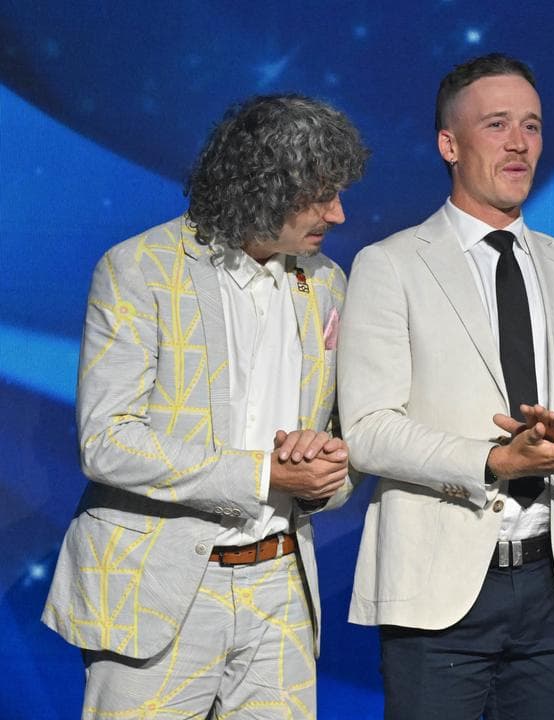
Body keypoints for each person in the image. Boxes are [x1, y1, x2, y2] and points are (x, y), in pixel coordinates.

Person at [41, 94, 369, 717]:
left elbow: (336, 443)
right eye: (322, 194)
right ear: (265, 184)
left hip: (280, 585)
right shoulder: (140, 268)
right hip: (160, 587)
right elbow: (106, 439)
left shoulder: (325, 281)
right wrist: (264, 474)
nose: (340, 213)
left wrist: (327, 472)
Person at [337, 53, 554, 719]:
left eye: (531, 125)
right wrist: (492, 460)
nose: (519, 143)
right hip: (439, 593)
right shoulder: (390, 265)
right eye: (497, 124)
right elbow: (367, 429)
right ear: (450, 143)